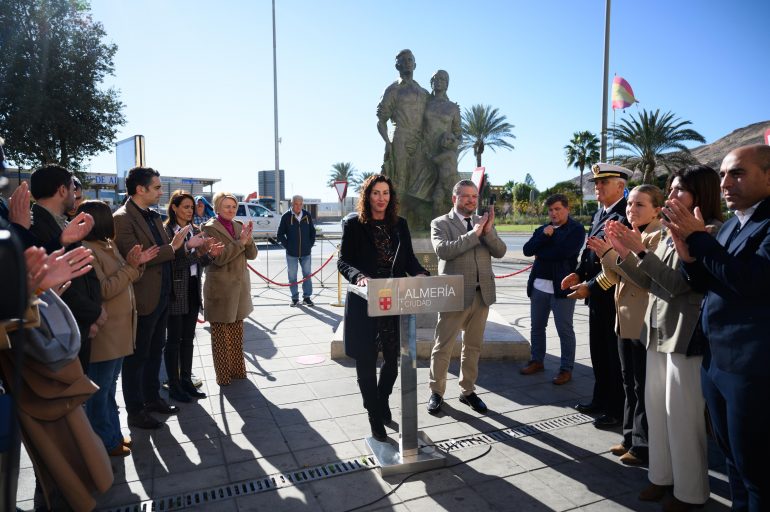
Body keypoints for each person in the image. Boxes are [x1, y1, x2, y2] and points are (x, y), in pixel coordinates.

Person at [607, 166, 723, 510]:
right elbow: (649, 282)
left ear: (700, 195)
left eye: (679, 192)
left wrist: (639, 253)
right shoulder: (672, 230)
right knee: (657, 412)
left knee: (683, 418)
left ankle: (690, 492)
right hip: (656, 331)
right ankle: (661, 477)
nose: (670, 198)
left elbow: (679, 285)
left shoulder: (708, 231)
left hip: (684, 336)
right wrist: (625, 253)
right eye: (670, 191)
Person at [666, 145, 770, 511]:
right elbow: (709, 281)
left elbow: (752, 282)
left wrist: (698, 239)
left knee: (757, 472)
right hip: (717, 364)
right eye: (723, 173)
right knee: (733, 463)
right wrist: (689, 259)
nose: (725, 182)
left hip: (753, 370)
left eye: (737, 173)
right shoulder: (733, 225)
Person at [338, 174, 427, 441]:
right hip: (364, 302)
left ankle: (381, 400)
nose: (381, 198)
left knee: (392, 360)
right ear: (367, 196)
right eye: (376, 193)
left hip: (392, 301)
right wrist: (360, 277)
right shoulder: (354, 224)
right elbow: (344, 262)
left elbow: (409, 259)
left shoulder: (400, 224)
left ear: (391, 196)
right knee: (365, 360)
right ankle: (374, 416)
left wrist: (420, 273)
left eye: (386, 193)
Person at [589, 185, 664, 467]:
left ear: (657, 209)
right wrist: (607, 253)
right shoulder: (635, 232)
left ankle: (643, 445)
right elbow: (614, 275)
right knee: (629, 383)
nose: (631, 210)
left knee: (643, 385)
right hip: (625, 320)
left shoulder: (657, 236)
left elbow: (642, 278)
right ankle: (630, 436)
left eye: (640, 205)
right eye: (630, 204)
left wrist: (614, 252)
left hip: (644, 321)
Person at [79, 200, 158, 457]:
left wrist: (136, 263)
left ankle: (111, 434)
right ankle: (104, 441)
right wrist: (130, 267)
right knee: (100, 392)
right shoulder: (87, 250)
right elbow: (105, 289)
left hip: (120, 330)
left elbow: (129, 276)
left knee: (110, 388)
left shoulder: (107, 245)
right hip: (105, 333)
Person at [113, 167, 189, 429]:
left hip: (162, 295)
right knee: (137, 358)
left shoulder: (153, 216)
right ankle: (135, 410)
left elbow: (166, 251)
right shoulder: (122, 218)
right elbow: (137, 257)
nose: (161, 191)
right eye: (156, 187)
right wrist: (174, 248)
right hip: (144, 297)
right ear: (140, 189)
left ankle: (152, 398)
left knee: (155, 351)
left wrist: (183, 247)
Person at [427, 179, 507, 415]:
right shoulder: (440, 223)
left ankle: (468, 390)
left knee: (473, 347)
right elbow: (444, 250)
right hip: (453, 295)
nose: (471, 200)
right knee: (443, 347)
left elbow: (500, 251)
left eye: (474, 196)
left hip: (482, 296)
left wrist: (488, 231)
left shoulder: (484, 223)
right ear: (455, 199)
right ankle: (437, 392)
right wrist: (475, 233)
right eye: (465, 196)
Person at [561, 163, 630, 428]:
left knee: (613, 357)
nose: (597, 187)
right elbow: (590, 252)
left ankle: (616, 409)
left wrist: (589, 284)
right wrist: (578, 273)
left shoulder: (624, 215)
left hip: (613, 295)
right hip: (595, 295)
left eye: (603, 182)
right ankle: (600, 400)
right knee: (599, 352)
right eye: (596, 182)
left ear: (620, 186)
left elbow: (617, 264)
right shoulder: (601, 213)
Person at [29, 164, 103, 373]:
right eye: (72, 188)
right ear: (62, 190)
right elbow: (55, 282)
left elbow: (85, 269)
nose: (75, 193)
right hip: (62, 329)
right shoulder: (33, 227)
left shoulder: (64, 223)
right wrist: (92, 314)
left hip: (80, 325)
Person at [520, 194, 586, 384]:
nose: (554, 213)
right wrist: (543, 236)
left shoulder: (576, 229)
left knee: (564, 329)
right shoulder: (543, 229)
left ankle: (566, 369)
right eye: (550, 210)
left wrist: (542, 249)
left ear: (567, 209)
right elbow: (527, 250)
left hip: (562, 288)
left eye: (558, 209)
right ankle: (537, 360)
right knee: (537, 327)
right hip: (539, 286)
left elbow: (563, 253)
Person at [164, 190, 222, 401]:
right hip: (175, 291)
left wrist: (209, 256)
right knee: (174, 341)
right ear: (174, 208)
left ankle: (186, 380)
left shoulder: (196, 230)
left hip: (192, 288)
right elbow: (173, 263)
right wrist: (194, 251)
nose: (190, 211)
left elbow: (199, 263)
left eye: (192, 207)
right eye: (186, 207)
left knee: (188, 339)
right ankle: (174, 384)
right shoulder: (167, 231)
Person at [201, 192, 257, 386]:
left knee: (236, 334)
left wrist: (248, 239)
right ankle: (223, 376)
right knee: (220, 336)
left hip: (239, 288)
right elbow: (220, 258)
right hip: (221, 289)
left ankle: (238, 371)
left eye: (234, 207)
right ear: (217, 208)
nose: (231, 210)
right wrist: (240, 242)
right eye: (227, 207)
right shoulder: (209, 228)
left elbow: (252, 255)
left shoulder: (238, 226)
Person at [377, 49, 429, 194]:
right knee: (399, 180)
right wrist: (387, 142)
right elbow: (381, 120)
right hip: (400, 138)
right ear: (397, 66)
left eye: (409, 60)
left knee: (419, 183)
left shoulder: (424, 93)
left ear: (415, 65)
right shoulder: (393, 90)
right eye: (403, 61)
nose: (407, 63)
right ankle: (396, 215)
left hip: (420, 141)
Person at [277, 194, 316, 307]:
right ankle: (294, 298)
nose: (298, 206)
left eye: (300, 204)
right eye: (296, 204)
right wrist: (288, 246)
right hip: (291, 253)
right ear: (292, 204)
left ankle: (307, 297)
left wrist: (309, 245)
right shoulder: (286, 216)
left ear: (302, 204)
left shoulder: (307, 215)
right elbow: (280, 234)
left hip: (306, 252)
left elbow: (312, 233)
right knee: (292, 277)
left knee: (307, 275)